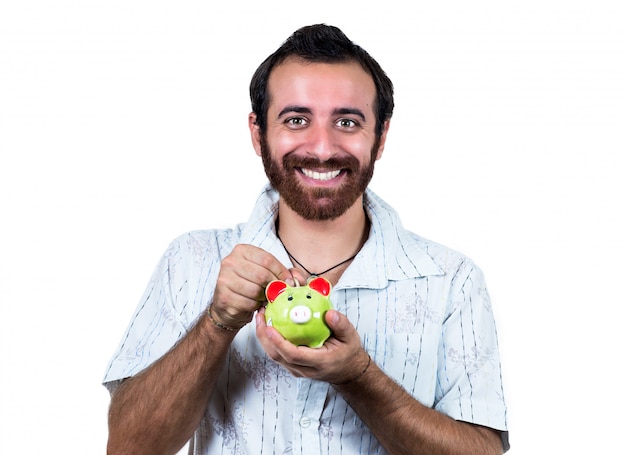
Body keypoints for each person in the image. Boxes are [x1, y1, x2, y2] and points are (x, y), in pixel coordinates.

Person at [103, 24, 509, 455]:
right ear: (258, 134)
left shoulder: (452, 279)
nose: (321, 148)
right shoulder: (192, 260)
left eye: (347, 121)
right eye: (296, 120)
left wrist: (357, 375)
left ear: (381, 137)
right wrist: (217, 322)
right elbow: (128, 448)